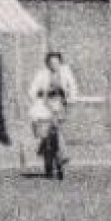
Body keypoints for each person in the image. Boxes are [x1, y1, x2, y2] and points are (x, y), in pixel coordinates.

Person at [27, 51, 79, 179]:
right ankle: (59, 157)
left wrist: (70, 99)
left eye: (56, 62)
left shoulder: (66, 72)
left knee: (56, 130)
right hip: (45, 106)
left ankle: (59, 157)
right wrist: (37, 97)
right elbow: (32, 90)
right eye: (51, 62)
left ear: (60, 62)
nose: (54, 65)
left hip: (60, 105)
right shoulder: (42, 74)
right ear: (47, 63)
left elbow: (73, 87)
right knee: (49, 134)